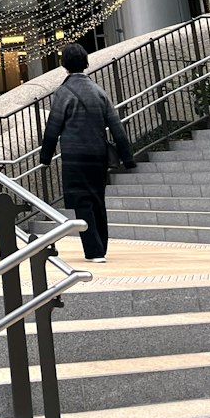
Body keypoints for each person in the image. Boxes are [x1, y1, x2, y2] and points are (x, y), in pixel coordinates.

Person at [40, 42, 137, 263]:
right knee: (97, 199)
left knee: (82, 202)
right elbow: (116, 127)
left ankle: (94, 251)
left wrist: (45, 158)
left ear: (63, 64)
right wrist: (128, 158)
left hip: (75, 157)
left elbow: (53, 127)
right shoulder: (98, 92)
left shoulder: (63, 93)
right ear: (85, 63)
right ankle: (101, 246)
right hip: (98, 155)